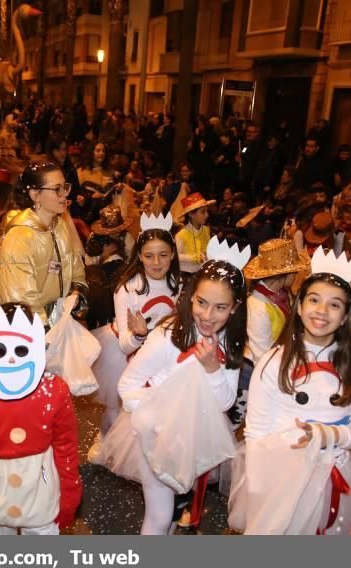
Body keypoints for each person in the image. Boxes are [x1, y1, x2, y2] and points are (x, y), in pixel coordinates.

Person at [96, 237, 250, 534]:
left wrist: (213, 369)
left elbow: (224, 402)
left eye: (220, 307)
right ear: (191, 297)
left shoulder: (229, 341)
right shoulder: (169, 335)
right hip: (153, 434)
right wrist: (157, 417)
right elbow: (127, 385)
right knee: (160, 513)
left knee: (176, 507)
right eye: (202, 303)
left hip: (192, 438)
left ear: (234, 308)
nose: (207, 315)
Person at [230, 248, 351, 534]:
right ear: (298, 306)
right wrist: (260, 489)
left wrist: (329, 434)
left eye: (335, 305)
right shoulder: (274, 361)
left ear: (346, 315)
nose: (322, 311)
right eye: (314, 300)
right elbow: (256, 431)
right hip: (279, 475)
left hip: (333, 473)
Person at [0, 302, 82, 535]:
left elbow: (66, 446)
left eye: (21, 350)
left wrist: (69, 493)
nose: (12, 360)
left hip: (41, 493)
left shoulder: (55, 392)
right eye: (0, 351)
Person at [89, 213, 181, 448]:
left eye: (163, 255)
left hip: (162, 356)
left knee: (155, 413)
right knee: (119, 410)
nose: (157, 262)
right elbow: (124, 344)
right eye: (149, 256)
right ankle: (106, 445)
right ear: (139, 256)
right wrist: (140, 334)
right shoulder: (127, 288)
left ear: (173, 254)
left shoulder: (178, 285)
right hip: (125, 355)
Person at [0, 161, 88, 327]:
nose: (65, 194)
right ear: (35, 195)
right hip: (18, 325)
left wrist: (76, 292)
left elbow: (75, 268)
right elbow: (21, 301)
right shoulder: (20, 236)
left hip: (51, 312)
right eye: (57, 189)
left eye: (65, 187)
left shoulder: (59, 225)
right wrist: (51, 330)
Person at [231, 238, 310, 426]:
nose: (299, 275)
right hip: (254, 373)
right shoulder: (257, 306)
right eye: (296, 271)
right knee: (238, 424)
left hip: (274, 364)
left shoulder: (280, 295)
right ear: (283, 274)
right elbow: (261, 353)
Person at [175, 193, 215, 275]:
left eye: (207, 211)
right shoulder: (181, 234)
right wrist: (195, 257)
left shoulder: (206, 230)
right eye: (203, 212)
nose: (207, 215)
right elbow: (175, 256)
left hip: (203, 273)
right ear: (191, 214)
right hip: (187, 275)